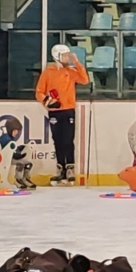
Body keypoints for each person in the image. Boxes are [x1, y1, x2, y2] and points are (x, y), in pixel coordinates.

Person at [35, 44, 88, 185]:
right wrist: (47, 102)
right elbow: (39, 91)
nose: (67, 58)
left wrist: (77, 63)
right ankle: (60, 169)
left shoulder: (70, 71)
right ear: (57, 56)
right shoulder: (48, 72)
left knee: (68, 140)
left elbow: (84, 79)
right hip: (55, 112)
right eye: (65, 55)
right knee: (58, 140)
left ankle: (70, 168)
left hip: (68, 109)